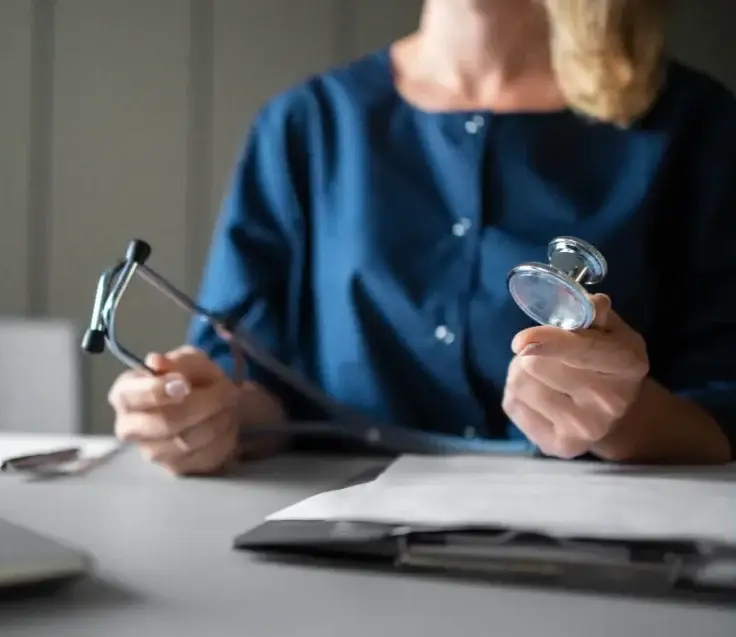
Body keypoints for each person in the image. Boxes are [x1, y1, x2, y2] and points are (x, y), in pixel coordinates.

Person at [108, 0, 736, 475]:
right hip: (333, 554)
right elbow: (253, 388)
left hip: (602, 564)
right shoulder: (308, 125)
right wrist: (198, 415)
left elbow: (722, 409)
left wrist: (622, 415)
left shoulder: (696, 127)